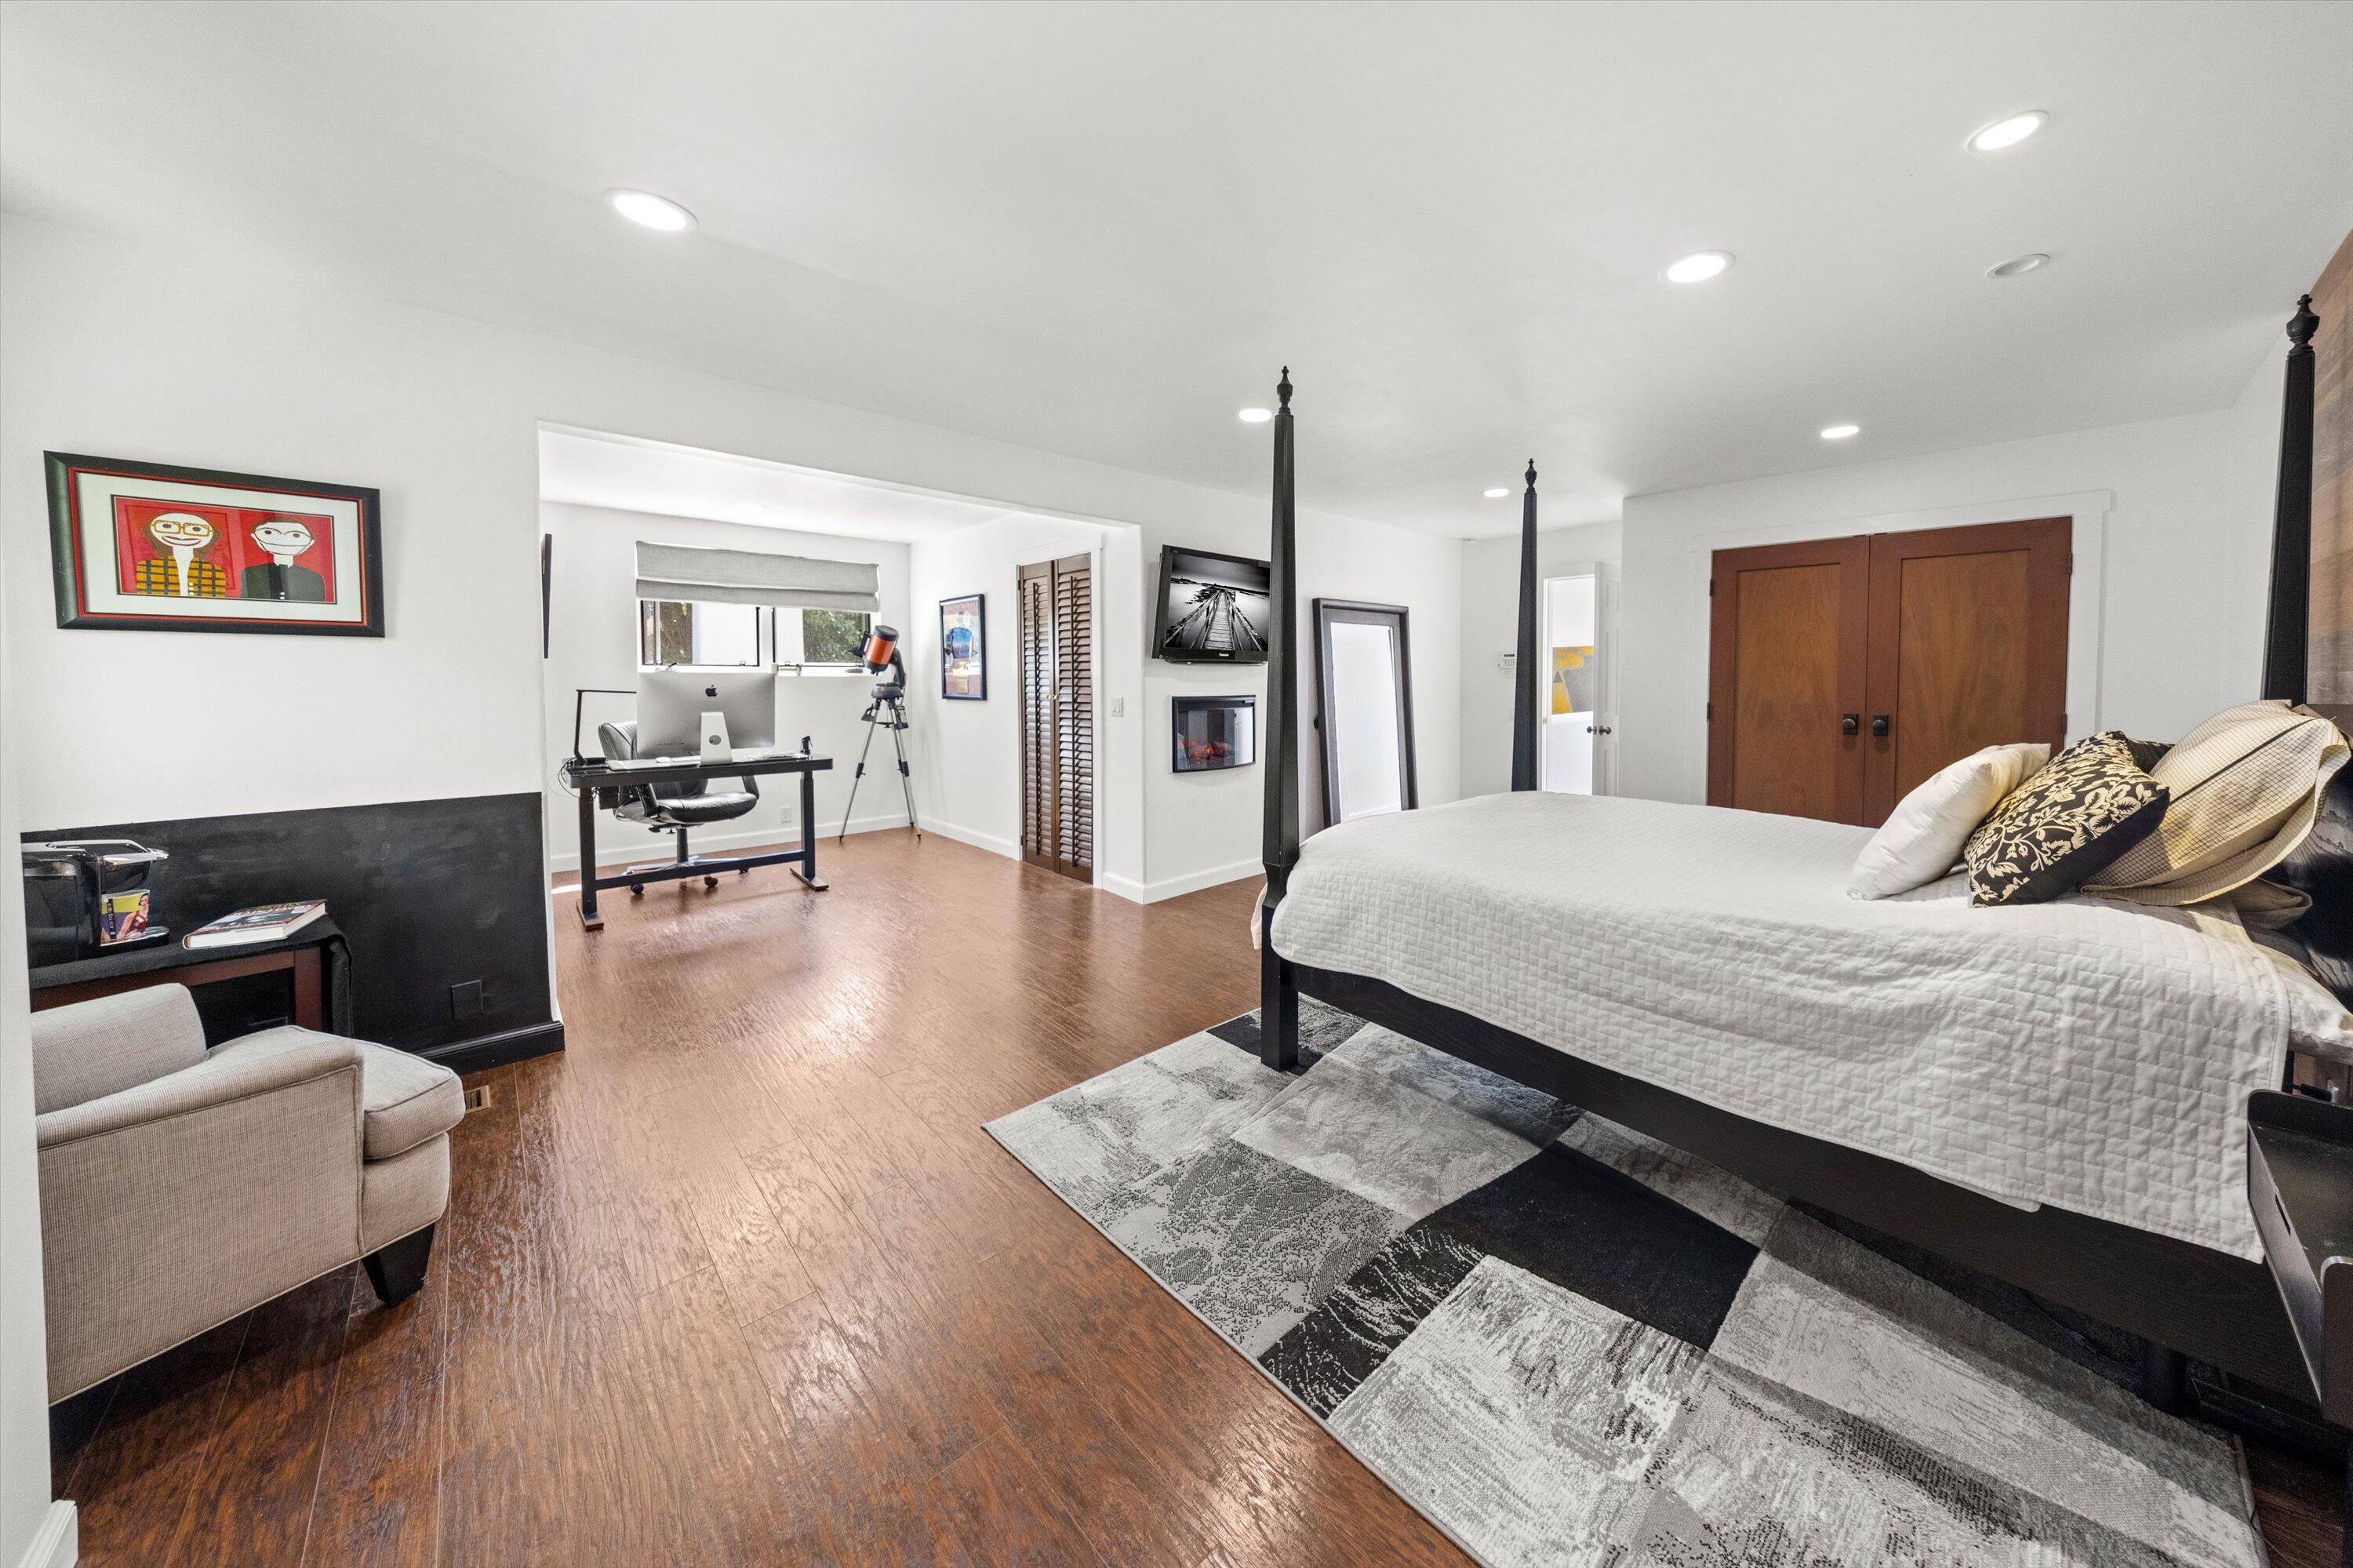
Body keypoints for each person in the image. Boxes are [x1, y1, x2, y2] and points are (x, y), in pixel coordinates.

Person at [130, 511, 228, 597]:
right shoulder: (147, 567)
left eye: (196, 529)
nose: (182, 535)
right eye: (167, 526)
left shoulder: (214, 570)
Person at [238, 517, 327, 602]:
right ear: (255, 538)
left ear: (310, 543)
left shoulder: (313, 577)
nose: (283, 539)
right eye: (268, 532)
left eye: (296, 535)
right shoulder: (251, 572)